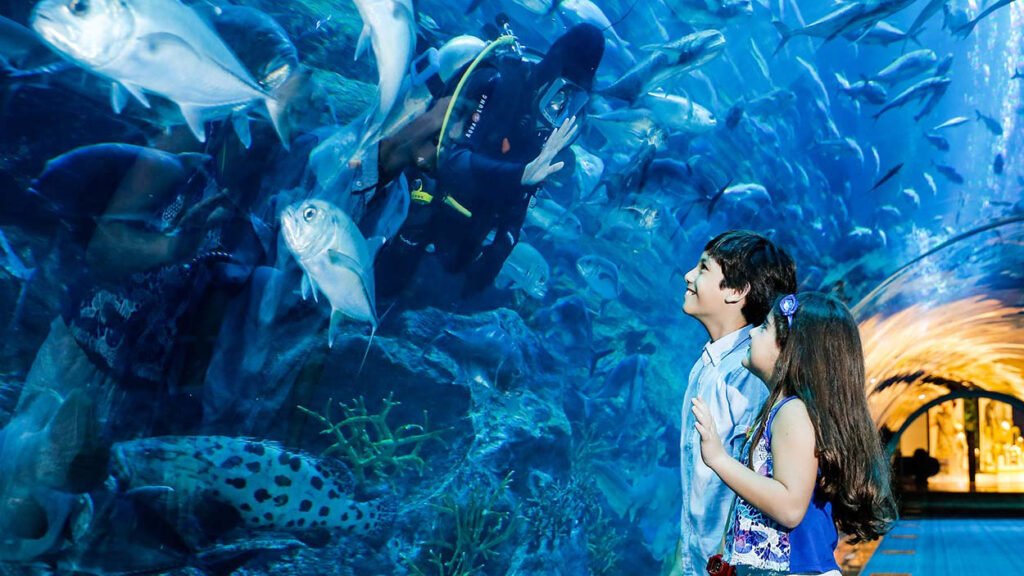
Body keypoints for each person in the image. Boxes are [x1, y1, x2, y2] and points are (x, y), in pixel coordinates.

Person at [375, 23, 605, 299]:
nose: (560, 108)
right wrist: (519, 174)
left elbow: (523, 196)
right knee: (385, 282)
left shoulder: (546, 128)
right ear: (550, 74)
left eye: (574, 102)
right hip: (417, 207)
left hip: (461, 230)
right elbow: (451, 161)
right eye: (561, 94)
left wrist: (501, 248)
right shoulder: (501, 83)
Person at [692, 293, 898, 575]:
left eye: (764, 327)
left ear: (791, 349)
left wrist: (718, 459)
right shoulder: (782, 409)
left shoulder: (793, 413)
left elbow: (790, 508)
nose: (752, 333)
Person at [672, 230, 797, 576]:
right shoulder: (708, 363)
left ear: (736, 291)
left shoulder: (749, 372)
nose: (689, 276)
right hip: (705, 560)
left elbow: (759, 479)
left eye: (703, 268)